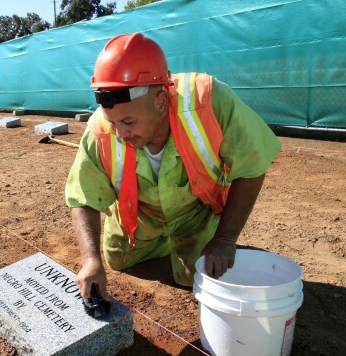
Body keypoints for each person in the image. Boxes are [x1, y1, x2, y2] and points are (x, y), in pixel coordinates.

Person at [65, 33, 282, 300]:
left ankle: (203, 238)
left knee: (204, 276)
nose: (120, 134)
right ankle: (161, 240)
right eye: (113, 123)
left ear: (160, 101)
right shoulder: (100, 128)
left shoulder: (209, 102)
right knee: (117, 260)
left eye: (129, 122)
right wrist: (90, 259)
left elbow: (252, 167)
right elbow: (82, 195)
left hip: (195, 212)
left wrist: (225, 240)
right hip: (141, 215)